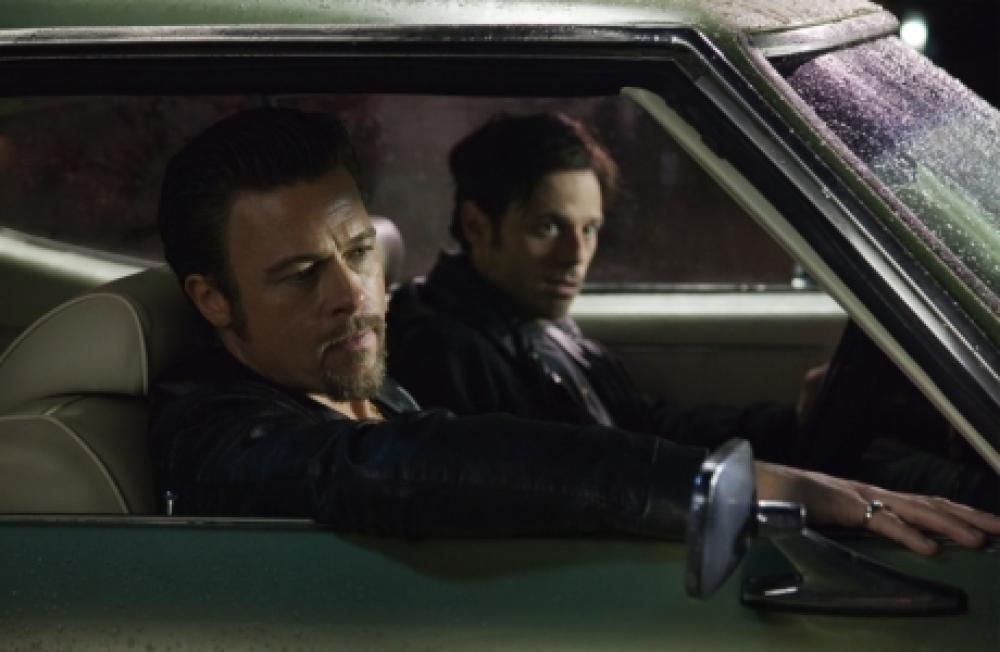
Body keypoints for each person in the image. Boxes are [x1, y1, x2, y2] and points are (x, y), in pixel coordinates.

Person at [150, 106, 1000, 554]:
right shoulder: (223, 437)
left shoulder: (340, 372)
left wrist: (785, 440)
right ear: (213, 299)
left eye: (360, 252)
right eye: (301, 274)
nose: (352, 295)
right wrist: (742, 485)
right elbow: (422, 467)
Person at [386, 112, 998, 511]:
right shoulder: (448, 350)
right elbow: (560, 485)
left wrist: (789, 424)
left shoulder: (534, 325)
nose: (576, 255)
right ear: (477, 226)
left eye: (590, 229)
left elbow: (645, 424)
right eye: (548, 227)